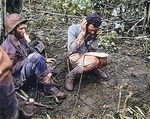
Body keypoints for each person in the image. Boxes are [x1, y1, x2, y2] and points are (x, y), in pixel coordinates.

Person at [1, 13, 66, 98]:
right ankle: (47, 85)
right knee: (36, 58)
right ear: (13, 31)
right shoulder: (7, 48)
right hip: (17, 78)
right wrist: (29, 59)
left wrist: (44, 59)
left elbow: (31, 50)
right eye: (21, 29)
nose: (24, 31)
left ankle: (41, 78)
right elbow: (12, 71)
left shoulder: (20, 39)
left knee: (51, 62)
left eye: (24, 28)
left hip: (28, 67)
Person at [65, 13, 110, 91]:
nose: (92, 32)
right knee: (94, 61)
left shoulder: (94, 33)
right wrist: (82, 34)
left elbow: (94, 49)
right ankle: (70, 75)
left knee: (104, 59)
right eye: (91, 30)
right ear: (85, 24)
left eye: (95, 30)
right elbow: (72, 49)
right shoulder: (73, 29)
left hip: (87, 54)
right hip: (74, 55)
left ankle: (92, 69)